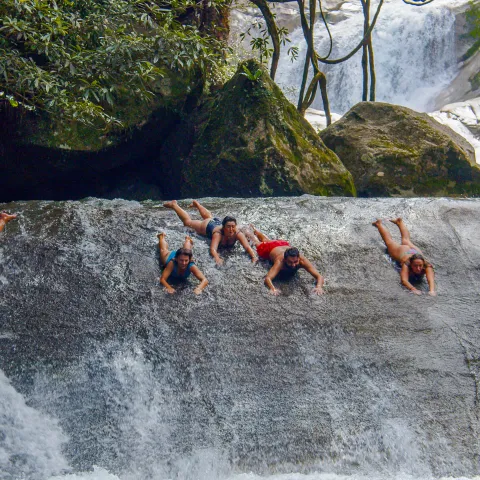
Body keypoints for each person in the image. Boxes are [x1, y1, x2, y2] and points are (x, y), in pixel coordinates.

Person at [163, 200, 257, 265]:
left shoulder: (237, 233)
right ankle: (174, 205)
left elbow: (247, 247)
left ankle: (198, 205)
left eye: (233, 226)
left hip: (218, 222)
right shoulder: (218, 234)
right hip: (208, 226)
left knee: (210, 216)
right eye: (228, 227)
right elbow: (213, 249)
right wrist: (217, 258)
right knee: (187, 222)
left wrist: (253, 256)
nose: (231, 229)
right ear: (224, 228)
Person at [244, 226, 325, 296]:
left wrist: (319, 287)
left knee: (266, 240)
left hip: (281, 244)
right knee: (256, 242)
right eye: (290, 262)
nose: (293, 265)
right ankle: (247, 230)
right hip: (269, 249)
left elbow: (319, 276)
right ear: (285, 259)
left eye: (295, 262)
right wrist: (273, 289)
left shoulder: (302, 260)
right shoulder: (280, 261)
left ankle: (254, 228)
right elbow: (268, 278)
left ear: (298, 258)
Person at [372, 218, 436, 296]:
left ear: (423, 264)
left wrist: (432, 290)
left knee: (406, 241)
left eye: (420, 266)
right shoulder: (407, 264)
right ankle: (379, 224)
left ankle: (399, 222)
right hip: (404, 252)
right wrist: (413, 289)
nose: (418, 268)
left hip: (415, 252)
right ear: (411, 264)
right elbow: (404, 280)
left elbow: (431, 280)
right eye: (415, 266)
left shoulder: (427, 265)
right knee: (389, 242)